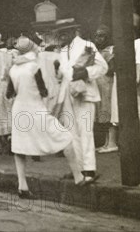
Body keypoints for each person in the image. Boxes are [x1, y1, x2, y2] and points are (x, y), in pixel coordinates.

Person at [8, 37, 84, 198]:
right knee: (65, 137)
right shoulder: (34, 67)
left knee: (20, 148)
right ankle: (78, 176)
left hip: (19, 110)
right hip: (35, 109)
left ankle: (22, 186)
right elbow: (43, 92)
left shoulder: (13, 69)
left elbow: (9, 94)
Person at [54, 20, 107, 184]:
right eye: (60, 32)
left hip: (84, 93)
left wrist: (86, 72)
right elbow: (61, 75)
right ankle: (77, 170)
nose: (62, 35)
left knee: (85, 131)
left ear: (74, 31)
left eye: (66, 31)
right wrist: (57, 72)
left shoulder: (87, 46)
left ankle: (89, 170)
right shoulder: (62, 51)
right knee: (70, 132)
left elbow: (103, 67)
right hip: (67, 94)